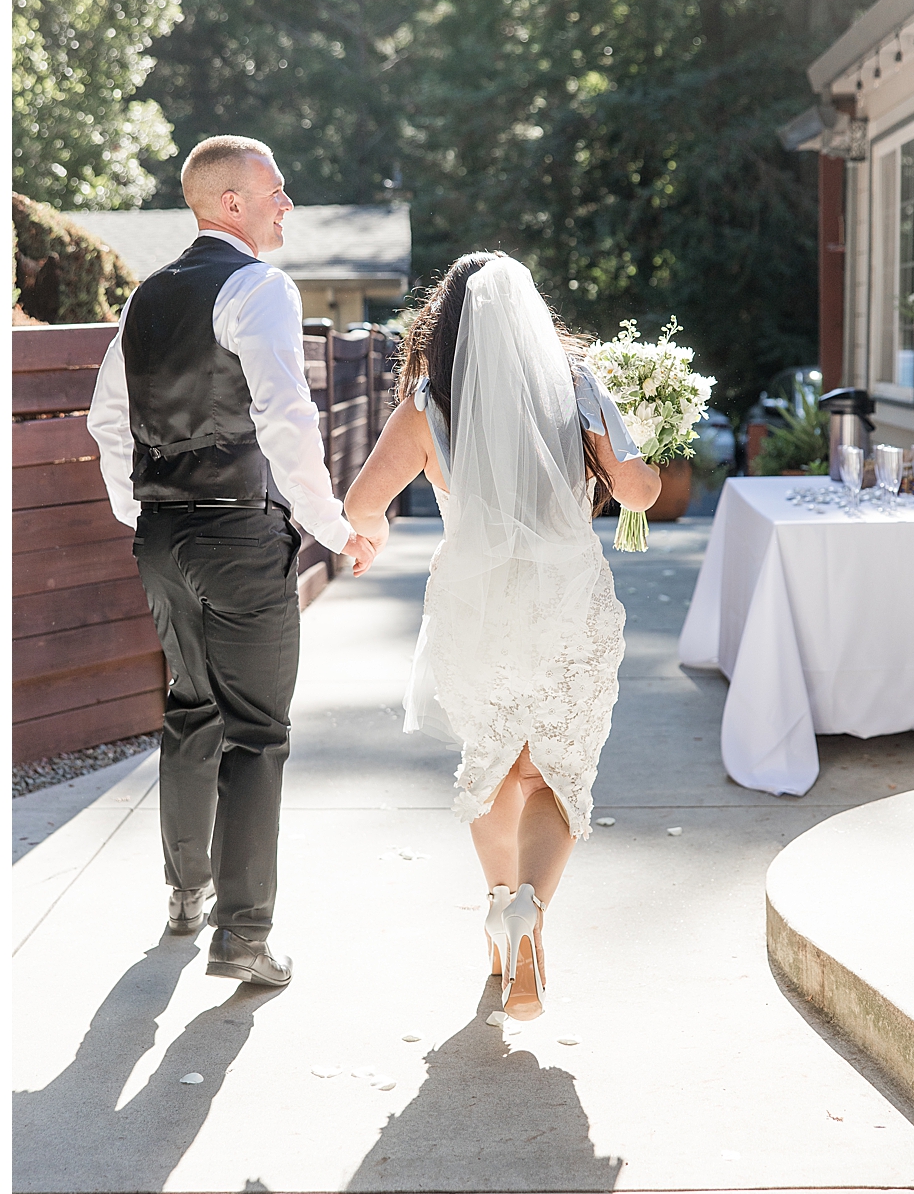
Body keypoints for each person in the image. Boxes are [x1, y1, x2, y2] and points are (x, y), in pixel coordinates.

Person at [88, 134, 380, 988]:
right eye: (276, 191)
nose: (288, 203)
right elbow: (288, 417)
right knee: (257, 733)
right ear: (229, 205)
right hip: (239, 538)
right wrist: (330, 523)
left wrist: (137, 513)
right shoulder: (260, 287)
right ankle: (244, 936)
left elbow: (106, 422)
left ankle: (186, 893)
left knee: (188, 710)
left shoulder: (144, 298)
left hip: (163, 539)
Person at [343, 253, 659, 1020]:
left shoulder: (427, 404)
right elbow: (640, 492)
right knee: (553, 774)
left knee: (491, 766)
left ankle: (496, 914)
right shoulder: (579, 386)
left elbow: (360, 500)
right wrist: (641, 439)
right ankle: (529, 911)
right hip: (564, 600)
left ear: (447, 325)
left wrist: (369, 536)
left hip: (475, 604)